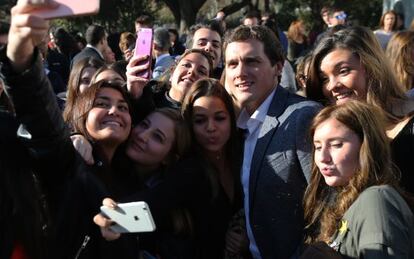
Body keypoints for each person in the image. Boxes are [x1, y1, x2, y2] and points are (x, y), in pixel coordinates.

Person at [224, 25, 321, 258]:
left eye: (252, 62)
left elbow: (327, 208)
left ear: (278, 67)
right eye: (232, 64)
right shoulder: (237, 123)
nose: (240, 72)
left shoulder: (303, 117)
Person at [306, 26, 414, 195]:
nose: (332, 86)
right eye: (324, 78)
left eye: (343, 71)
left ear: (371, 66)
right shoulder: (326, 134)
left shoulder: (408, 125)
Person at [303, 100, 414, 258]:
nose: (322, 157)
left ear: (366, 146)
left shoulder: (377, 199)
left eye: (336, 144)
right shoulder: (353, 203)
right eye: (318, 147)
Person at [181, 78, 247, 258]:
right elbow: (156, 200)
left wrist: (248, 237)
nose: (211, 128)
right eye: (200, 120)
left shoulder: (245, 153)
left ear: (231, 119)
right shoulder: (187, 170)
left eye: (219, 118)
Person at [126, 48, 213, 119]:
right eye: (186, 65)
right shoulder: (146, 94)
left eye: (201, 71)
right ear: (172, 72)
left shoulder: (203, 119)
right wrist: (134, 94)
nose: (192, 71)